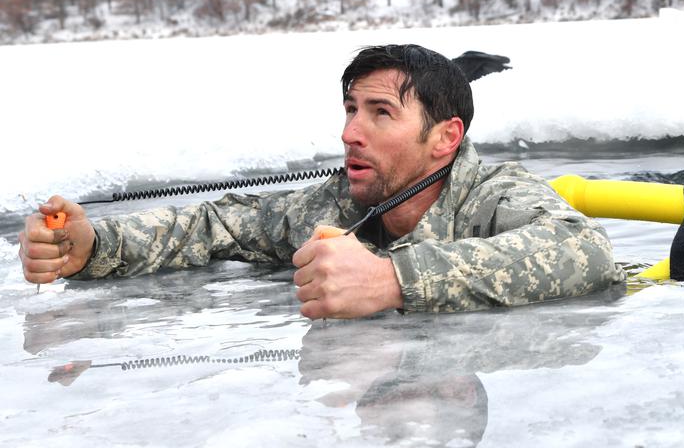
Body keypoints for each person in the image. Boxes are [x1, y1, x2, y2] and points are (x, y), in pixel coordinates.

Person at [18, 44, 625, 318]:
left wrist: (392, 280)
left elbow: (583, 250)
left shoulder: (492, 191)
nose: (349, 133)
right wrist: (97, 246)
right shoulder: (338, 200)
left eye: (379, 113)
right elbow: (219, 222)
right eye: (349, 110)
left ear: (445, 137)